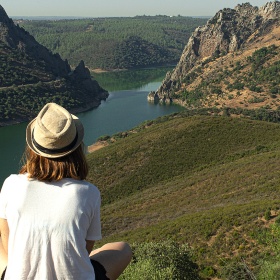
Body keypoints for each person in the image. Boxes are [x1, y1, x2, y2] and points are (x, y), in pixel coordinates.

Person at [0, 103, 132, 280]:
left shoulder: (11, 184)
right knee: (122, 249)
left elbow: (7, 243)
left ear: (34, 148)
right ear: (76, 148)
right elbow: (84, 251)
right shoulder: (89, 193)